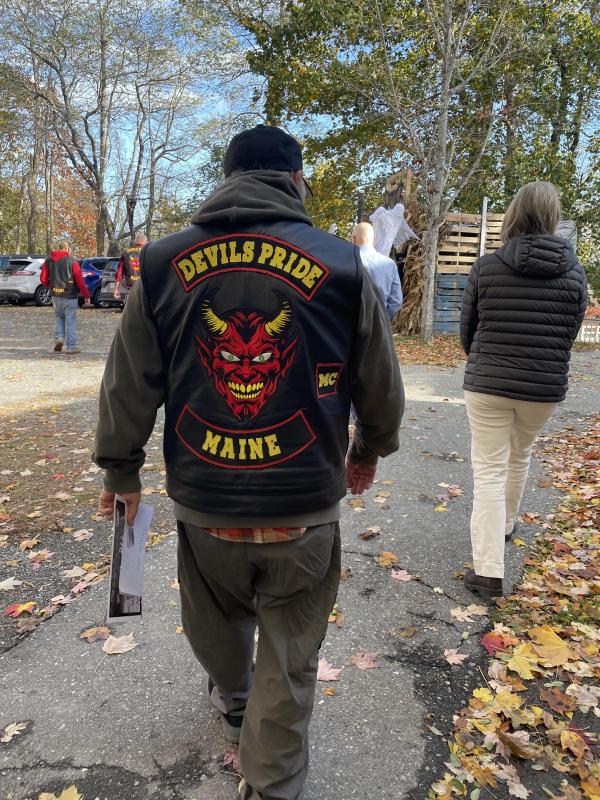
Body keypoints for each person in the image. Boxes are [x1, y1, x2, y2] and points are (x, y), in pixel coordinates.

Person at [93, 125, 403, 800]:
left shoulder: (161, 262)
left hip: (207, 500)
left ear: (228, 180)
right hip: (303, 502)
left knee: (215, 618)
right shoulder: (346, 265)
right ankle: (271, 786)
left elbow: (128, 380)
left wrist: (121, 471)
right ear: (297, 182)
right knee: (288, 660)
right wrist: (368, 449)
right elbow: (380, 383)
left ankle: (234, 700)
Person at [460, 181, 587, 598]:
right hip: (543, 388)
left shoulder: (486, 267)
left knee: (489, 470)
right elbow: (569, 334)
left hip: (488, 384)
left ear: (513, 214)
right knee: (520, 455)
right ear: (553, 217)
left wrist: (486, 360)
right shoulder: (575, 274)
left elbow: (467, 331)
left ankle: (489, 569)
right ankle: (506, 524)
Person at [41, 239, 90, 355]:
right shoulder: (72, 261)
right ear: (67, 249)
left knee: (59, 316)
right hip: (70, 295)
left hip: (56, 295)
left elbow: (43, 278)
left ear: (59, 248)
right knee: (70, 320)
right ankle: (71, 346)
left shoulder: (48, 261)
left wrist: (50, 286)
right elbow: (79, 280)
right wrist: (86, 295)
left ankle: (59, 338)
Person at [351, 222, 403, 321]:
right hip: (378, 322)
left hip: (349, 323)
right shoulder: (389, 264)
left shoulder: (345, 261)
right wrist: (382, 321)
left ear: (353, 239)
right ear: (374, 240)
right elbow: (396, 301)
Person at [113, 232, 148, 302]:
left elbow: (119, 273)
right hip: (146, 290)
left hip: (131, 289)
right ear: (146, 242)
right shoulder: (149, 252)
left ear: (135, 242)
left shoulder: (126, 253)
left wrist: (116, 289)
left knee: (130, 309)